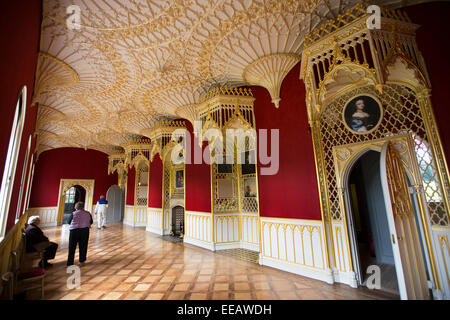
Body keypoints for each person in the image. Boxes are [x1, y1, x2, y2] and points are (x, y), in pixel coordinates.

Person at [67, 202, 93, 266]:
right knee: (83, 246)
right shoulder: (88, 213)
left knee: (72, 247)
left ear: (76, 207)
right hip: (84, 231)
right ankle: (82, 260)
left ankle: (70, 262)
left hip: (74, 231)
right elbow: (91, 222)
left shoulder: (73, 213)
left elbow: (68, 222)